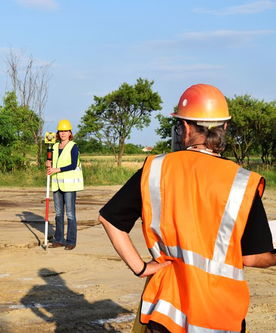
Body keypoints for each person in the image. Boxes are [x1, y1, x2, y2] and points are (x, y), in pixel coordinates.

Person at [98, 84, 275, 333]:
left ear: (187, 127)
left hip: (165, 309)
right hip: (219, 314)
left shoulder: (155, 169)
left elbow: (110, 219)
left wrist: (141, 268)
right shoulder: (243, 182)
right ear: (224, 127)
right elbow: (253, 257)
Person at [47, 119, 84, 250]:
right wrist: (49, 164)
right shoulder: (55, 146)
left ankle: (71, 241)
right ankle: (59, 239)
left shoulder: (73, 146)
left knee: (70, 214)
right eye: (61, 131)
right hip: (57, 184)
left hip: (69, 185)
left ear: (70, 133)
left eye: (65, 131)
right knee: (58, 213)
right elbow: (52, 161)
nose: (63, 133)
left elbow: (73, 165)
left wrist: (56, 169)